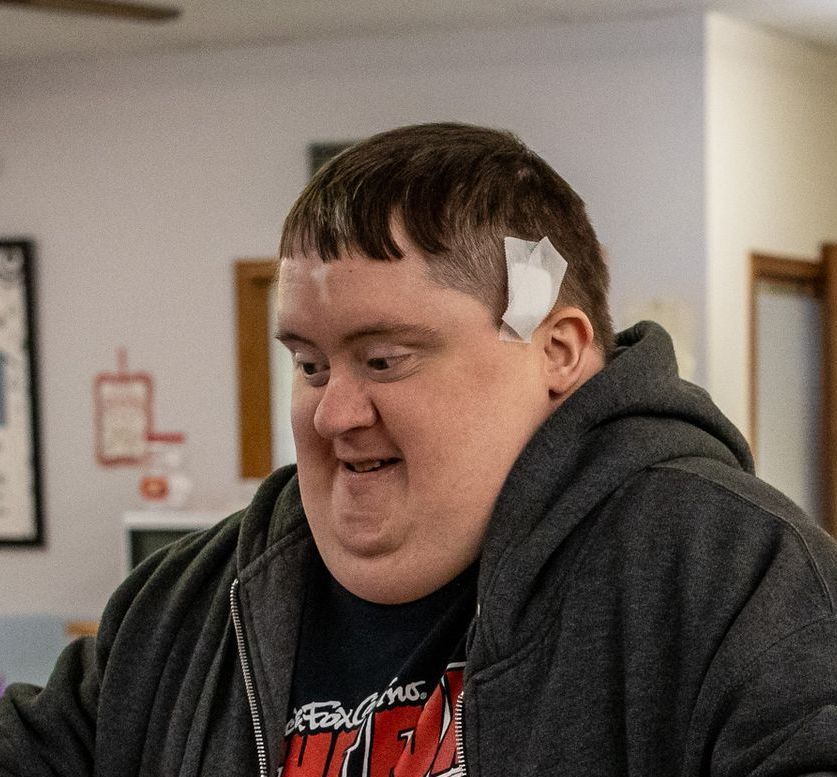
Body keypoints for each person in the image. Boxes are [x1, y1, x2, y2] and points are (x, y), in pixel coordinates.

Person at [2, 122, 836, 777]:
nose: (332, 413)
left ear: (555, 351)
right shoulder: (184, 605)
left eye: (383, 360)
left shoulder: (731, 571)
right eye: (309, 364)